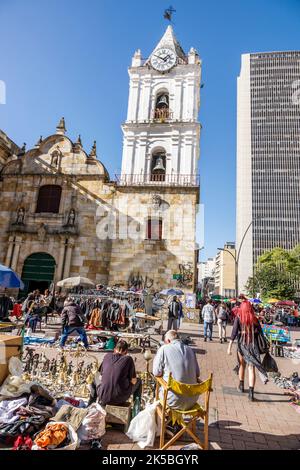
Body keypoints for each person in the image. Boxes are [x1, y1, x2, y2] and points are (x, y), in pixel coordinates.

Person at [227, 294, 268, 401]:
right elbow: (260, 333)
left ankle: (241, 386)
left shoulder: (238, 317)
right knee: (251, 368)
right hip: (252, 344)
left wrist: (229, 347)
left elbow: (234, 332)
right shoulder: (254, 319)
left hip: (242, 344)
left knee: (241, 365)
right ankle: (251, 393)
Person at [153, 330, 201, 411]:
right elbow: (197, 374)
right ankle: (176, 421)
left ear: (168, 341)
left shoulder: (164, 348)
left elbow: (156, 372)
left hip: (172, 400)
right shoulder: (190, 350)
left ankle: (165, 420)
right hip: (192, 400)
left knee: (157, 390)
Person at [95, 340, 142, 407]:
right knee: (139, 381)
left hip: (103, 396)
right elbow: (134, 381)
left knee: (95, 377)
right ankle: (136, 408)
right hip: (119, 398)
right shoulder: (128, 359)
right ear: (126, 351)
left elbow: (100, 376)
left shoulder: (107, 356)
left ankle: (91, 403)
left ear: (114, 349)